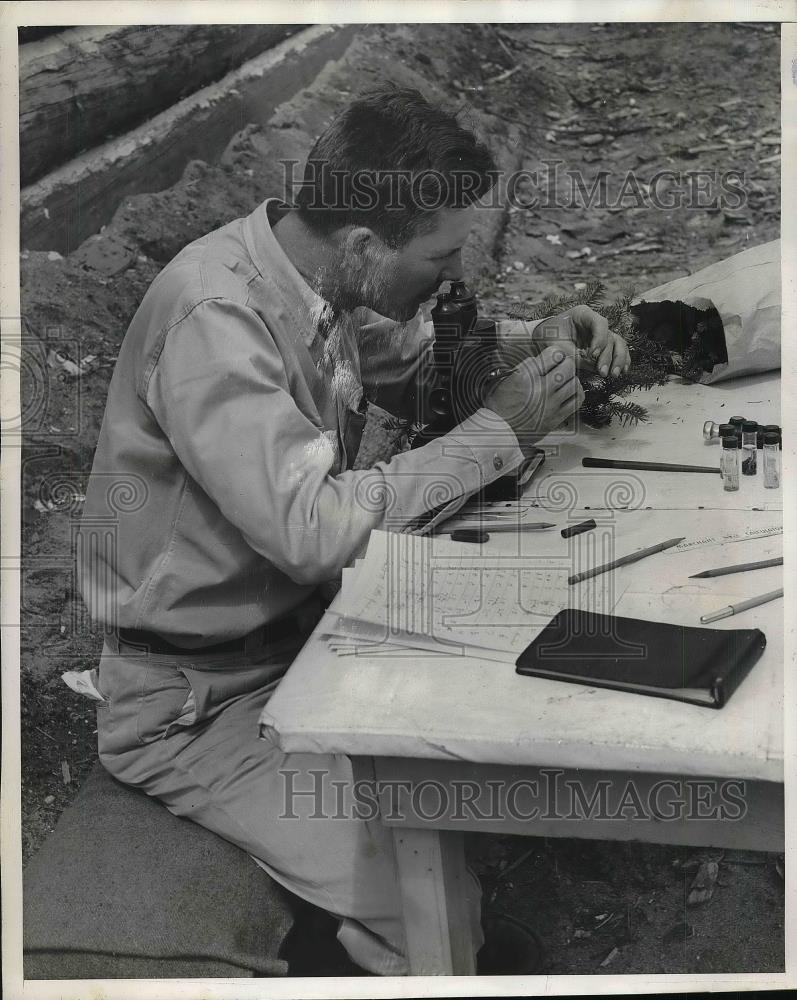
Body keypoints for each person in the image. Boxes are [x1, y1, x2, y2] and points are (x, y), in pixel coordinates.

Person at [71, 87, 631, 975]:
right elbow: (313, 532)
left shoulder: (310, 274)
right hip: (195, 705)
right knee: (426, 901)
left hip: (298, 642)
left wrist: (530, 343)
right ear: (367, 244)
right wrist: (497, 433)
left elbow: (407, 358)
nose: (452, 277)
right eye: (441, 256)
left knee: (534, 659)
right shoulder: (215, 315)